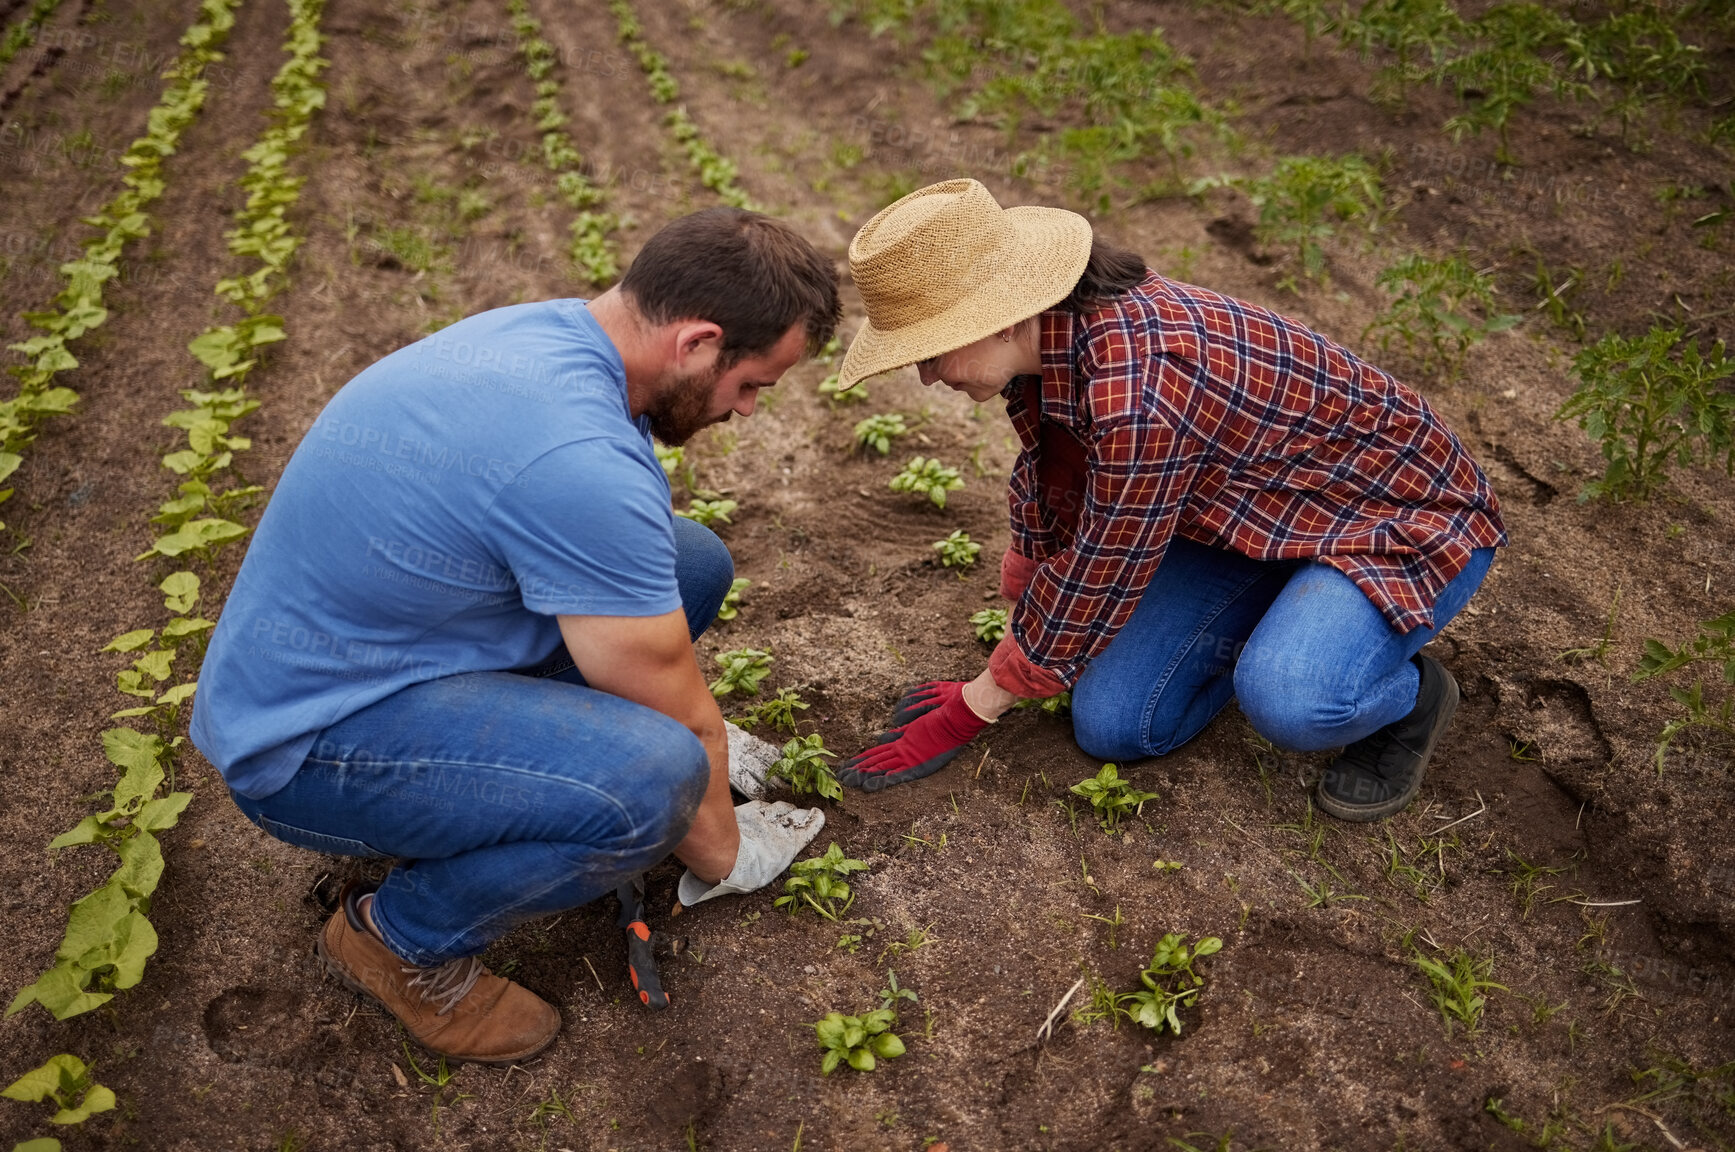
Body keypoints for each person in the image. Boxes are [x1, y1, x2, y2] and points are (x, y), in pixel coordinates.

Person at [191, 208, 841, 1064]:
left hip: (374, 661)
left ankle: (538, 772)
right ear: (696, 342)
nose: (748, 410)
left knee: (687, 567)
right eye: (752, 383)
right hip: (309, 750)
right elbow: (683, 729)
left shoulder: (547, 337)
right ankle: (398, 941)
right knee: (653, 784)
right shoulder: (578, 456)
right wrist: (724, 851)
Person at [832, 179, 1505, 823]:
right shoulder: (1050, 345)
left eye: (930, 352)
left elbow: (1108, 559)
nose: (924, 376)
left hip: (1391, 519)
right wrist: (1026, 593)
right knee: (1116, 725)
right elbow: (1055, 475)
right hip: (1243, 518)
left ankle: (1409, 697)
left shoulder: (1141, 389)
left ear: (1001, 319)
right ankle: (1283, 619)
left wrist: (973, 707)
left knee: (1293, 700)